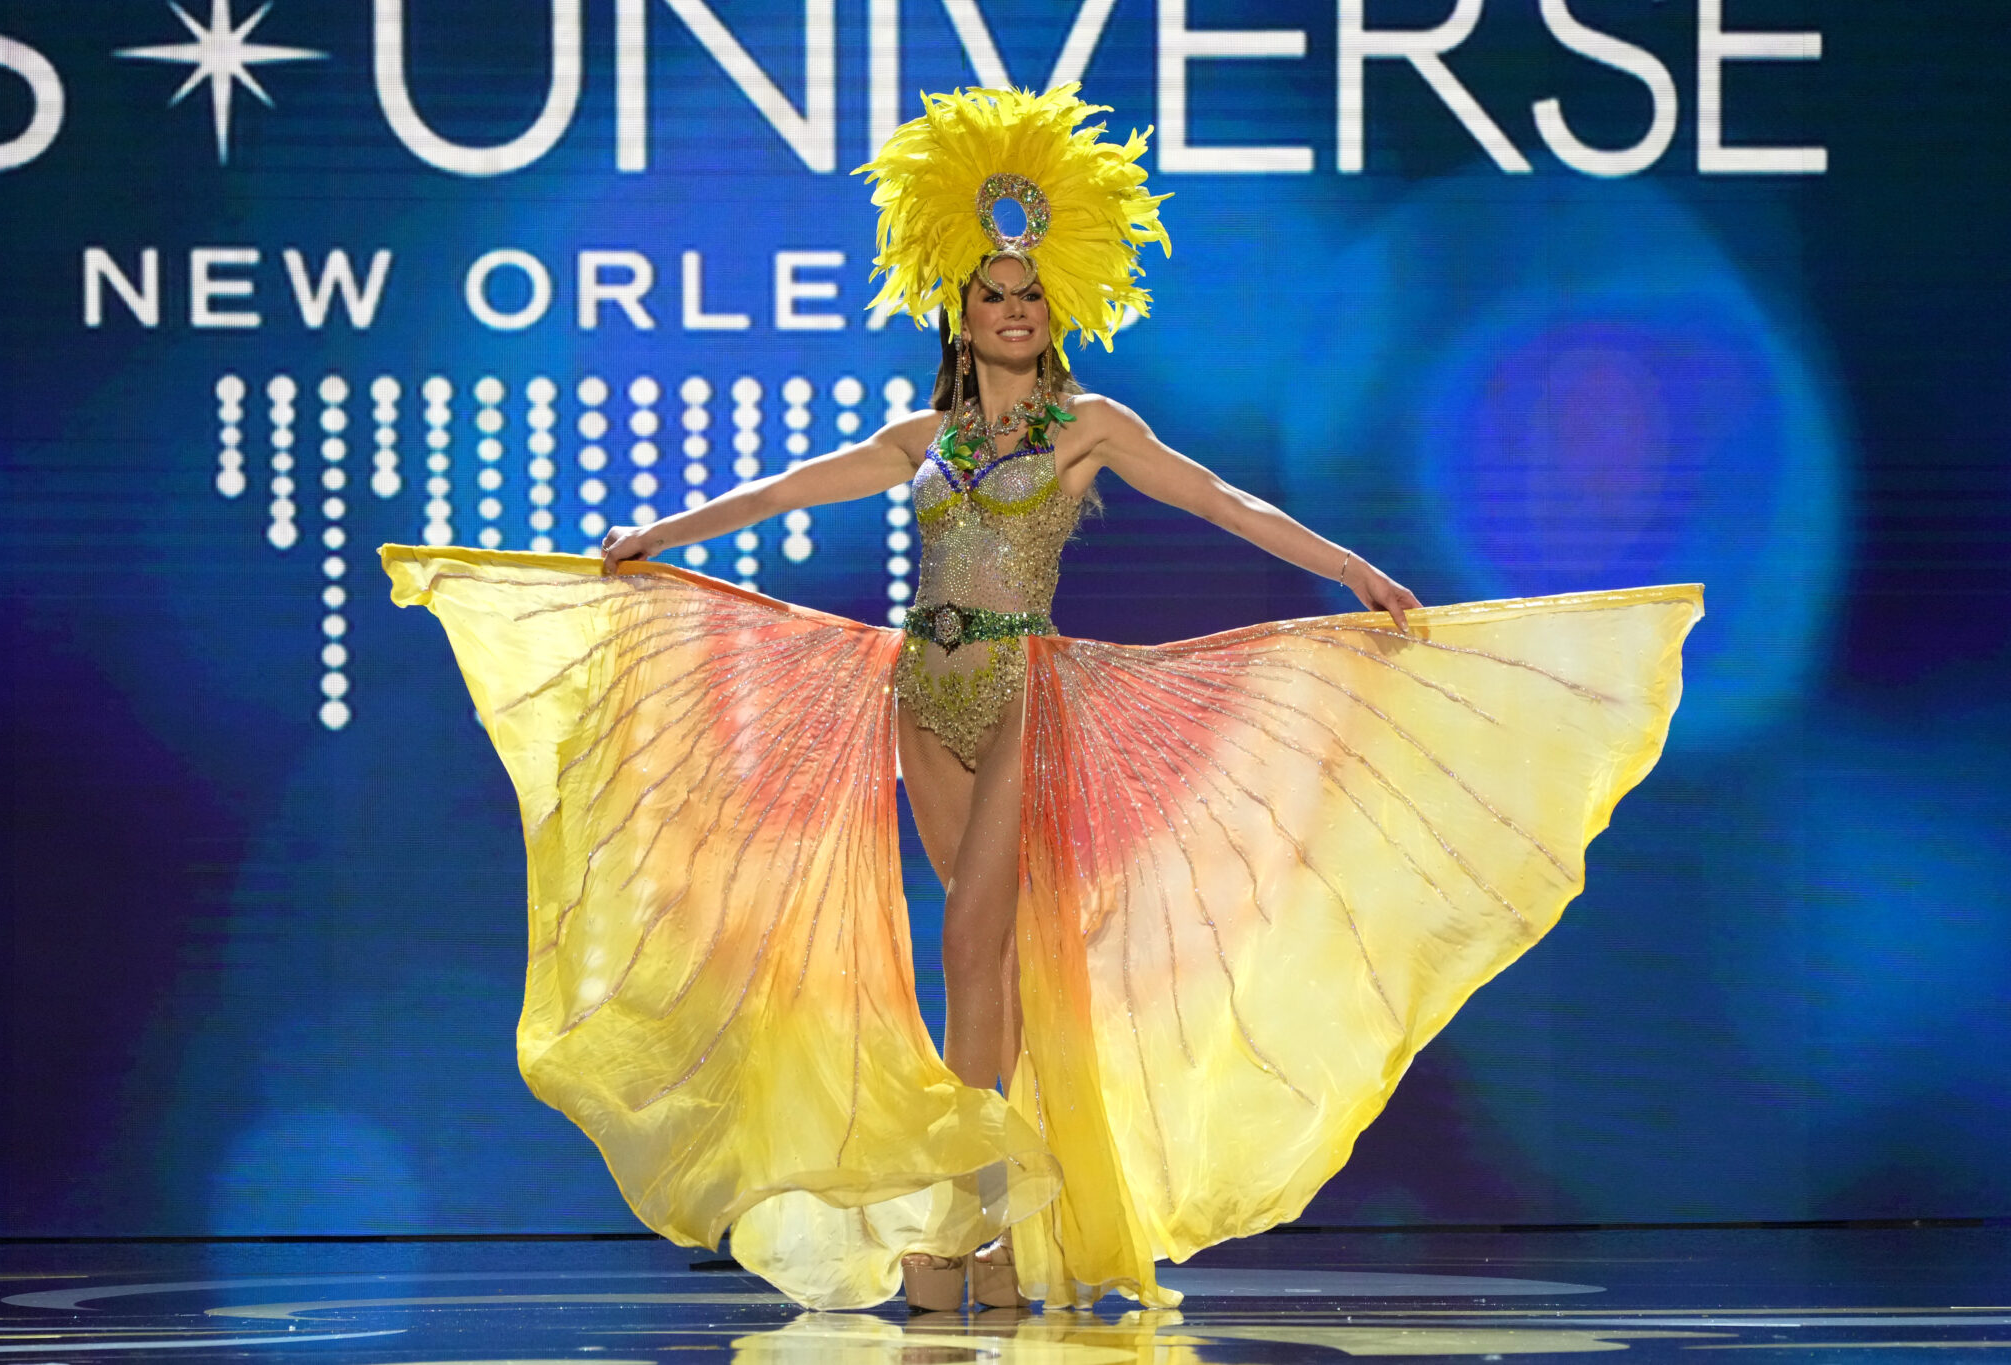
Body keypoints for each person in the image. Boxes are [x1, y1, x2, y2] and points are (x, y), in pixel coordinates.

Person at [384, 85, 1700, 1316]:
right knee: (994, 954)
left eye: (1028, 294)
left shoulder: (1091, 426)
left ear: (1054, 304)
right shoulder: (928, 442)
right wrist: (663, 532)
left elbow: (1221, 499)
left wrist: (1350, 566)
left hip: (1024, 685)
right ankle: (990, 1219)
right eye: (991, 293)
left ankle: (977, 1226)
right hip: (922, 691)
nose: (1011, 310)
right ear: (959, 310)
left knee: (973, 944)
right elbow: (789, 489)